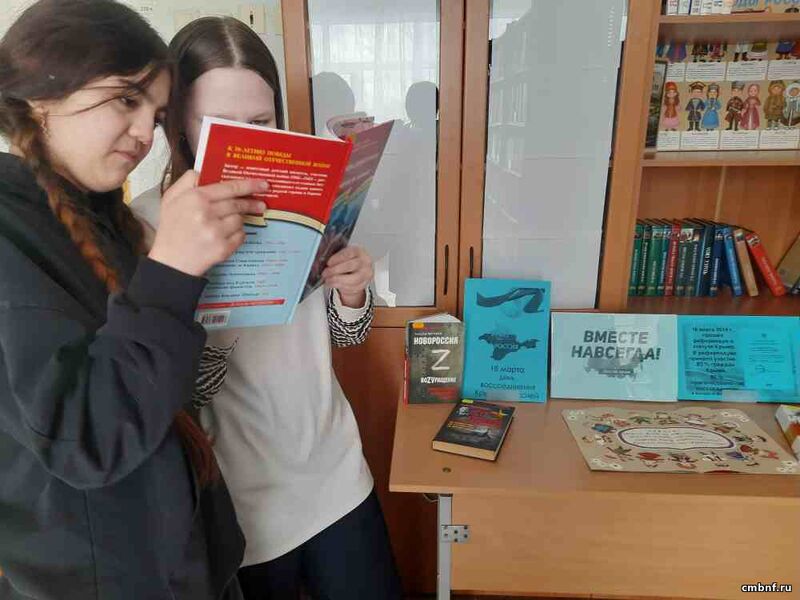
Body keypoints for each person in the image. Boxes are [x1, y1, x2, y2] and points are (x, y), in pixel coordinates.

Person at [0, 1, 267, 598]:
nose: (147, 134)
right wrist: (171, 270)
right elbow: (86, 438)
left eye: (158, 113)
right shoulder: (11, 233)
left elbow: (154, 394)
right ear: (41, 96)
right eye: (126, 99)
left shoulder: (106, 220)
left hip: (190, 562)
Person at [130, 17, 403, 600]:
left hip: (337, 473)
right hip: (242, 499)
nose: (248, 141)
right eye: (220, 125)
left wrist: (352, 291)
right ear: (179, 123)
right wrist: (219, 315)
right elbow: (171, 395)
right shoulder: (151, 224)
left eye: (261, 122)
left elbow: (345, 336)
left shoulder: (307, 193)